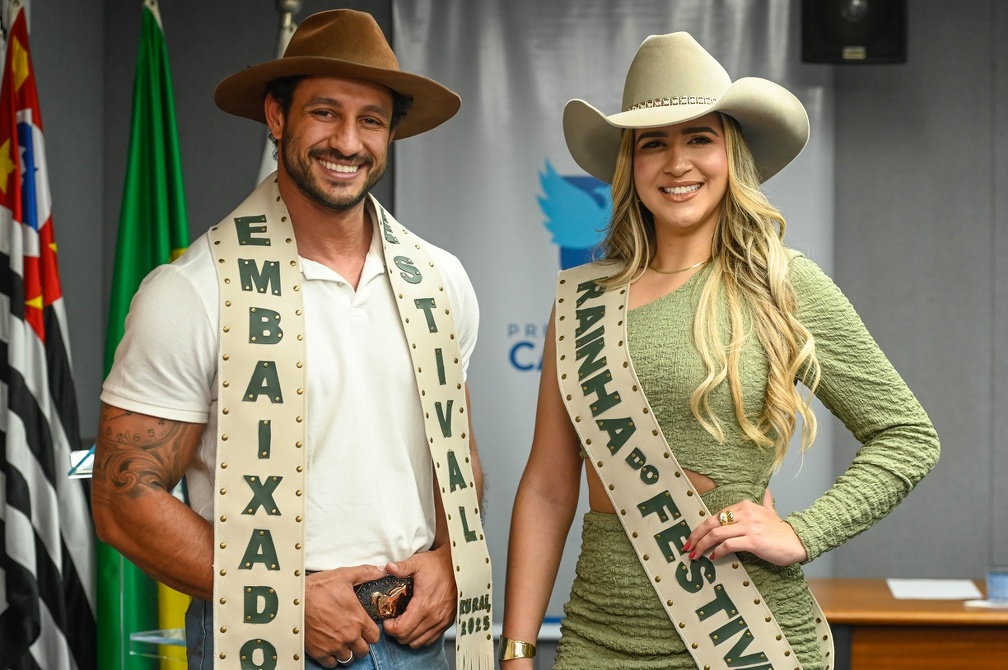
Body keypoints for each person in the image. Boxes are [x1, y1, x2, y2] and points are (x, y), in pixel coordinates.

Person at [499, 31, 939, 670]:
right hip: (599, 637)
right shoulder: (581, 301)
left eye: (699, 138)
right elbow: (546, 488)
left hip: (746, 633)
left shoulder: (781, 284)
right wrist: (516, 648)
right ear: (631, 164)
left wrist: (802, 533)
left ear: (732, 155)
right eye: (654, 143)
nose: (678, 163)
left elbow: (908, 435)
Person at [92, 10, 494, 670]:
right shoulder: (194, 289)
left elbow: (454, 455)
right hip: (264, 637)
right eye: (325, 113)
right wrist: (282, 599)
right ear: (277, 118)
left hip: (411, 635)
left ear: (390, 133)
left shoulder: (439, 280)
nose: (348, 140)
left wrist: (451, 560)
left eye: (370, 119)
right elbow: (122, 497)